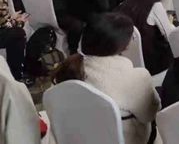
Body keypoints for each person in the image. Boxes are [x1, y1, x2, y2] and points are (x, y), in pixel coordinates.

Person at [53, 13, 160, 144]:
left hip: (82, 137)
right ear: (125, 45)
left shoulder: (69, 69)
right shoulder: (137, 78)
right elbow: (149, 114)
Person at [117, 0, 175, 75]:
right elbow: (170, 36)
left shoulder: (125, 4)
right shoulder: (155, 6)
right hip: (153, 62)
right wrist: (170, 23)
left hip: (127, 58)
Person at [0, 0, 27, 81]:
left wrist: (10, 18)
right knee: (19, 34)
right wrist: (19, 22)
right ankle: (16, 75)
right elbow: (5, 24)